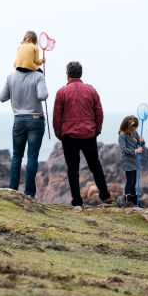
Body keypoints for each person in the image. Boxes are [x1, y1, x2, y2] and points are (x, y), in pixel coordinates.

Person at [52, 61, 113, 210]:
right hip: (89, 134)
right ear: (81, 73)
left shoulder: (62, 92)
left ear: (67, 74)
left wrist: (60, 134)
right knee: (95, 166)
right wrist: (96, 130)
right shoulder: (92, 91)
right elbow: (99, 113)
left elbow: (56, 117)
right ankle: (105, 196)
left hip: (70, 136)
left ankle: (77, 202)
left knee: (73, 169)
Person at [0, 65, 48, 198]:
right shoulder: (38, 76)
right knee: (32, 157)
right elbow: (43, 95)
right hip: (36, 119)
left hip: (19, 120)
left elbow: (2, 97)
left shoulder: (11, 76)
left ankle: (12, 190)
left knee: (16, 156)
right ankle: (29, 194)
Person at [118, 115, 144, 207]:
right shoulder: (122, 135)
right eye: (133, 127)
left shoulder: (134, 133)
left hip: (134, 160)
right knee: (130, 180)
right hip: (127, 161)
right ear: (127, 126)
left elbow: (139, 144)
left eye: (135, 127)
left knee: (134, 181)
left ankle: (134, 200)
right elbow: (124, 149)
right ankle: (128, 201)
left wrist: (141, 141)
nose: (134, 129)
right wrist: (136, 151)